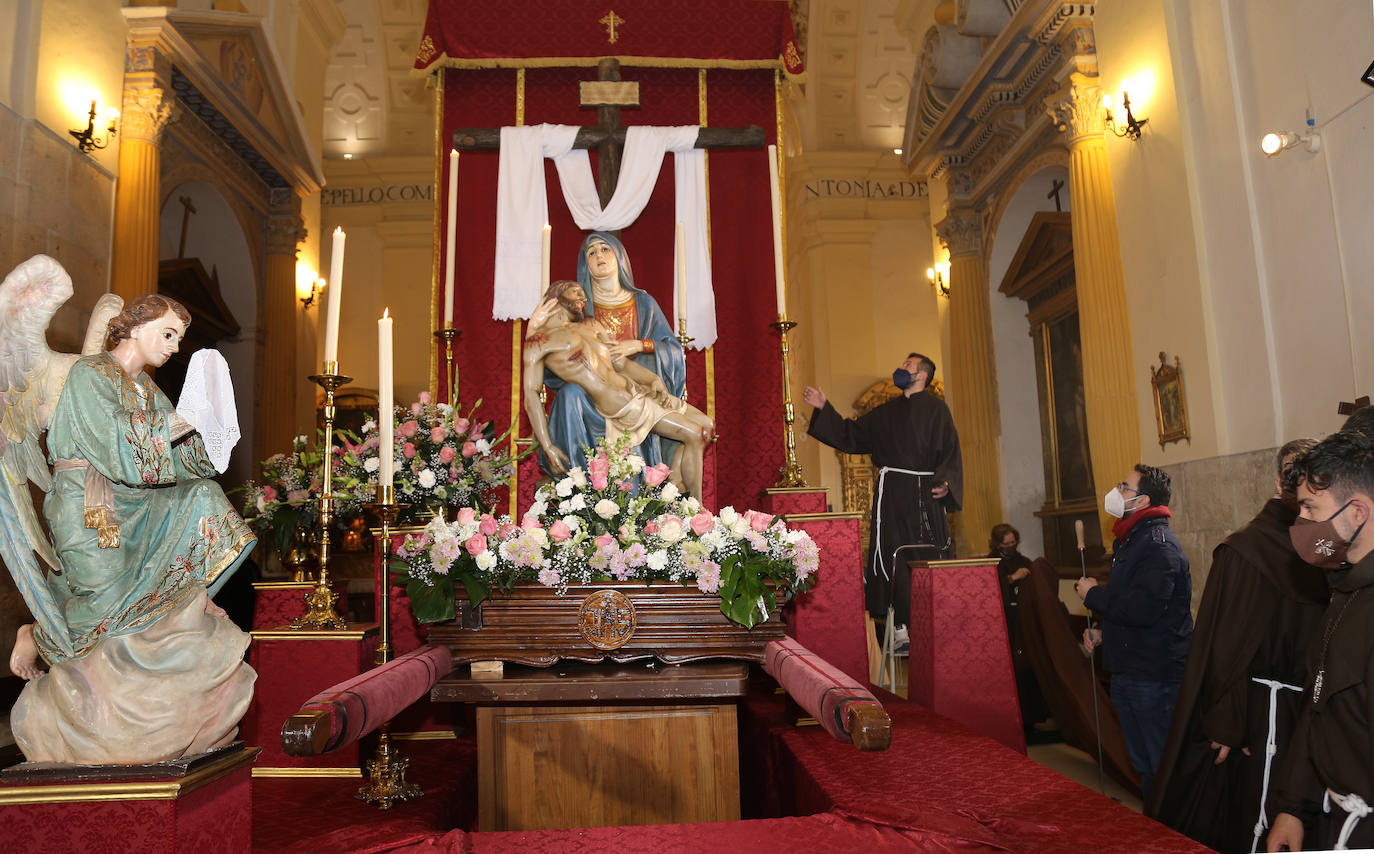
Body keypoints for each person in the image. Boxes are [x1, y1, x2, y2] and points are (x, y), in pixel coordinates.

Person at [6, 293, 257, 764]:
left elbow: (176, 462)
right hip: (88, 501)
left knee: (203, 496)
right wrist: (179, 422)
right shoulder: (90, 374)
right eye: (167, 334)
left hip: (136, 505)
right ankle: (36, 633)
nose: (174, 346)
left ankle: (188, 599)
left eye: (179, 339)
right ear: (134, 329)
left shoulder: (145, 388)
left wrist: (208, 434)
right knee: (102, 601)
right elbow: (115, 441)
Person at [1148, 439, 1327, 853]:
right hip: (1266, 710)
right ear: (1278, 481)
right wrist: (1230, 720)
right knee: (1264, 818)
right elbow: (1225, 646)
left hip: (1316, 709)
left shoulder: (1326, 544)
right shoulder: (1248, 549)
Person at [803, 353, 963, 651]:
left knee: (926, 555)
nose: (901, 369)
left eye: (908, 366)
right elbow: (852, 435)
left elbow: (950, 451)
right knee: (891, 555)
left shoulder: (937, 411)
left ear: (923, 375)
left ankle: (933, 622)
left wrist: (945, 483)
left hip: (924, 494)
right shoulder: (886, 411)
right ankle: (899, 626)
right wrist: (825, 408)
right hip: (891, 496)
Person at [1267, 430, 1374, 852]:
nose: (1303, 524)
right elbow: (1320, 709)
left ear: (1358, 512)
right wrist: (1294, 806)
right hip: (1337, 819)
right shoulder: (1345, 589)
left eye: (1311, 508)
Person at [523, 280, 714, 498]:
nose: (583, 298)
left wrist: (652, 379)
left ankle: (675, 483)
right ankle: (698, 510)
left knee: (707, 425)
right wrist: (547, 446)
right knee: (695, 434)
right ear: (556, 297)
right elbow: (531, 395)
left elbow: (620, 363)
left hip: (638, 390)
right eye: (576, 292)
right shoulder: (539, 341)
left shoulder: (592, 326)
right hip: (623, 406)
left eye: (584, 295)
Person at [1076, 464, 1192, 799]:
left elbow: (1144, 610)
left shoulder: (1158, 545)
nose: (1116, 491)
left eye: (1124, 486)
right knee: (1143, 763)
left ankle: (1171, 834)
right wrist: (1103, 632)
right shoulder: (1132, 539)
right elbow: (1128, 601)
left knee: (1160, 764)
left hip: (1154, 673)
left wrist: (1093, 596)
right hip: (1131, 667)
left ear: (1142, 501)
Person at [539, 232, 685, 478]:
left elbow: (672, 349)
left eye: (605, 249)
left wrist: (638, 345)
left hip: (637, 388)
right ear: (586, 264)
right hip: (592, 394)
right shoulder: (578, 308)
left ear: (619, 257)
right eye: (592, 252)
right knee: (570, 394)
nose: (599, 256)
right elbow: (551, 354)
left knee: (695, 428)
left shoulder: (644, 303)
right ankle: (576, 482)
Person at [988, 523, 1048, 731]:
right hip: (1003, 624)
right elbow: (988, 590)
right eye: (1006, 544)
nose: (1011, 547)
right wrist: (1012, 579)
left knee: (1026, 667)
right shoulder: (990, 562)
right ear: (997, 544)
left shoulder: (1024, 561)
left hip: (1023, 624)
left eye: (1014, 543)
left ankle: (1029, 717)